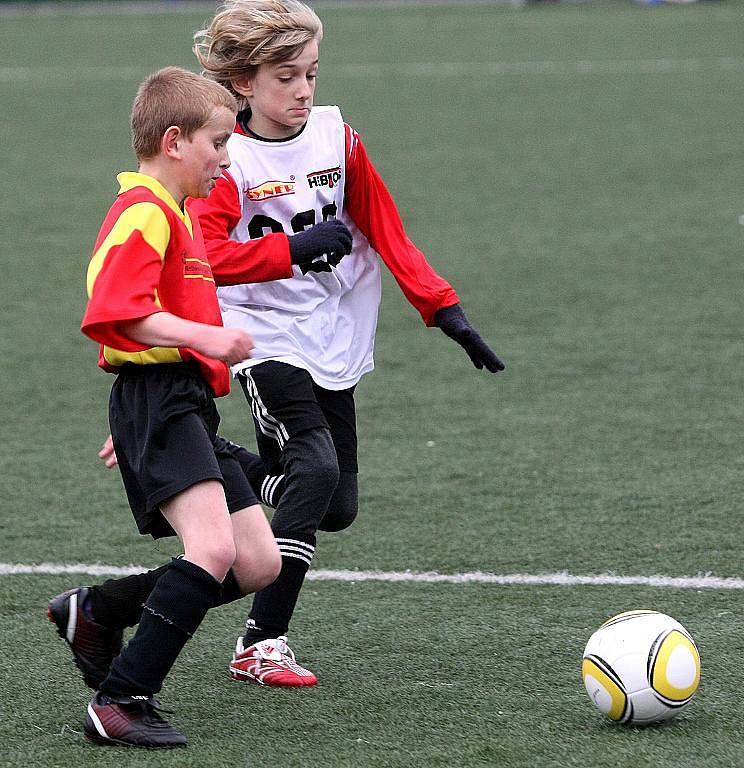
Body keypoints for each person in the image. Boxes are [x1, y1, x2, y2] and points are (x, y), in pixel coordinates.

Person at [50, 0, 505, 693]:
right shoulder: (219, 157)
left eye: (311, 74)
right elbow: (208, 260)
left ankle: (111, 600)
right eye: (286, 76)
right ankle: (262, 643)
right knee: (313, 471)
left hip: (332, 333)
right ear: (242, 81)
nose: (302, 90)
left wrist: (442, 306)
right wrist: (287, 252)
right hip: (262, 333)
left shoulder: (336, 136)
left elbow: (383, 225)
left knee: (335, 502)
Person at [57, 66, 293, 748]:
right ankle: (121, 698)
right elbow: (115, 313)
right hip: (160, 401)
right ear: (174, 141)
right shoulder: (144, 212)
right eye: (218, 142)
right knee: (212, 549)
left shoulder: (179, 214)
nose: (226, 157)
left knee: (258, 563)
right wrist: (205, 337)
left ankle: (99, 610)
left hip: (177, 404)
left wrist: (142, 414)